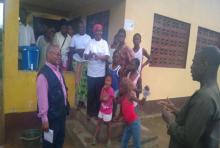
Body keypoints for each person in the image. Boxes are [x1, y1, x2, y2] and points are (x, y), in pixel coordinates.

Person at [159, 46, 220, 148]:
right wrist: (175, 110)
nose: (191, 67)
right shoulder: (212, 90)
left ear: (204, 64)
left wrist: (170, 120)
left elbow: (187, 138)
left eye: (194, 62)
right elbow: (196, 121)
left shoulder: (205, 98)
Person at [37, 44, 69, 148]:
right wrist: (44, 120)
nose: (59, 57)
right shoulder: (43, 75)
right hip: (51, 119)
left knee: (59, 141)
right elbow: (42, 100)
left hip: (60, 116)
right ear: (49, 55)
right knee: (49, 143)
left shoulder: (58, 70)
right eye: (57, 54)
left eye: (60, 55)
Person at [84, 24, 110, 118]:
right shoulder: (90, 42)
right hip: (91, 73)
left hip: (100, 73)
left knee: (99, 94)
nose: (99, 32)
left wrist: (98, 56)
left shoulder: (105, 43)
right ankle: (89, 112)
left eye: (101, 30)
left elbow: (107, 57)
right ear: (94, 32)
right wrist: (90, 55)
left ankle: (96, 113)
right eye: (97, 31)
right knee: (90, 93)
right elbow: (85, 56)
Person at [70, 21, 91, 109]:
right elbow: (71, 49)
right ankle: (77, 101)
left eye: (83, 27)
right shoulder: (74, 37)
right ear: (78, 28)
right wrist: (78, 51)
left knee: (84, 82)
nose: (81, 28)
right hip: (76, 61)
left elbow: (90, 50)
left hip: (85, 61)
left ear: (85, 27)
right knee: (77, 81)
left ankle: (83, 100)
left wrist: (84, 51)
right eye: (79, 27)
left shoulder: (88, 38)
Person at [117, 78, 142, 148]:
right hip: (128, 124)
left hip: (135, 123)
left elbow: (141, 102)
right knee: (124, 143)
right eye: (119, 86)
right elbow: (123, 110)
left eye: (121, 87)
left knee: (136, 144)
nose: (119, 88)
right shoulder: (122, 97)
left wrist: (145, 95)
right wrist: (119, 117)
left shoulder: (130, 96)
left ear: (126, 88)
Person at [92, 75, 114, 147]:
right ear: (104, 81)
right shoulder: (102, 88)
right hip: (102, 109)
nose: (107, 82)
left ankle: (109, 140)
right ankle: (94, 138)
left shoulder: (111, 90)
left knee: (108, 125)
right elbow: (101, 98)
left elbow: (106, 99)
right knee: (99, 123)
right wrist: (103, 96)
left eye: (109, 81)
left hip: (108, 111)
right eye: (106, 80)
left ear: (111, 82)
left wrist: (104, 97)